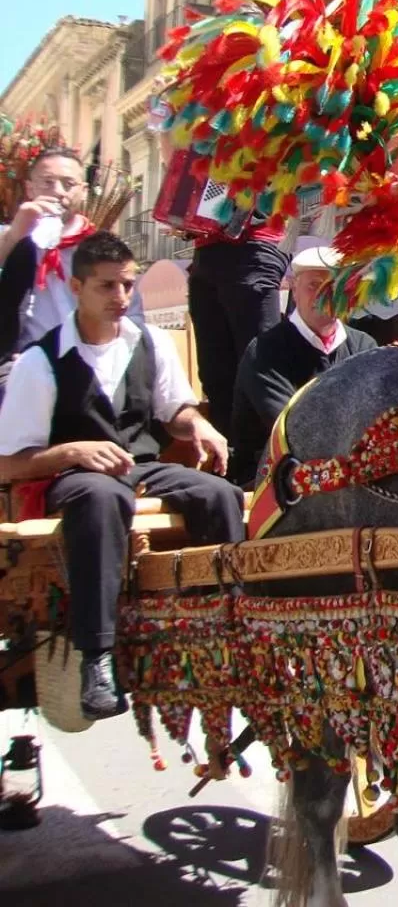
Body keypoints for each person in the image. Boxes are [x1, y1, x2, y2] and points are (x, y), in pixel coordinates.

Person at [0, 231, 244, 718]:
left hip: (140, 468)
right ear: (76, 287)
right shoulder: (40, 361)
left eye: (127, 286)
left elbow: (174, 411)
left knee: (221, 494)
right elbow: (9, 462)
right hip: (70, 479)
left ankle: (226, 631)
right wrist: (72, 450)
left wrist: (199, 426)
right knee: (100, 498)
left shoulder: (148, 342)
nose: (121, 298)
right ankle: (98, 656)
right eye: (107, 287)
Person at [231, 246, 377, 487]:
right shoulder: (266, 350)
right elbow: (293, 425)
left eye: (334, 288)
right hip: (271, 480)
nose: (323, 295)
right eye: (313, 285)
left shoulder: (363, 345)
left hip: (347, 474)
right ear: (293, 289)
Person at [0, 148, 97, 387]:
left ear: (83, 191)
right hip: (20, 366)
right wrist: (15, 235)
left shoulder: (99, 247)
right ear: (30, 189)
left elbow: (130, 311)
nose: (58, 192)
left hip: (88, 364)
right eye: (47, 183)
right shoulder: (9, 237)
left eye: (68, 183)